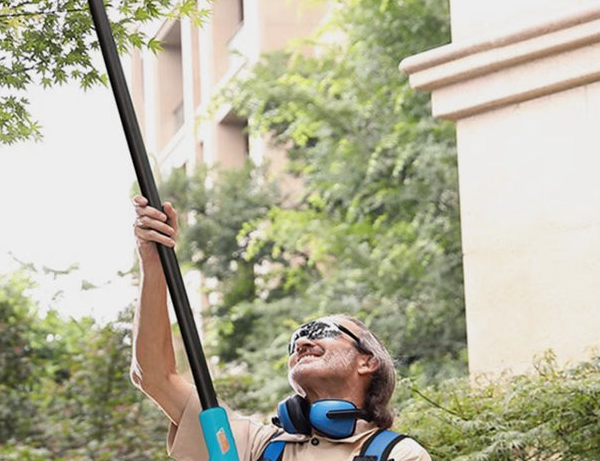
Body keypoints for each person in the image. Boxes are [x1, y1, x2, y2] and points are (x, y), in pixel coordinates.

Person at [130, 194, 432, 461]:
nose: (301, 343)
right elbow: (154, 375)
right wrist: (154, 262)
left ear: (367, 361)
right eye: (295, 340)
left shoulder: (400, 454)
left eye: (319, 331)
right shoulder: (256, 446)